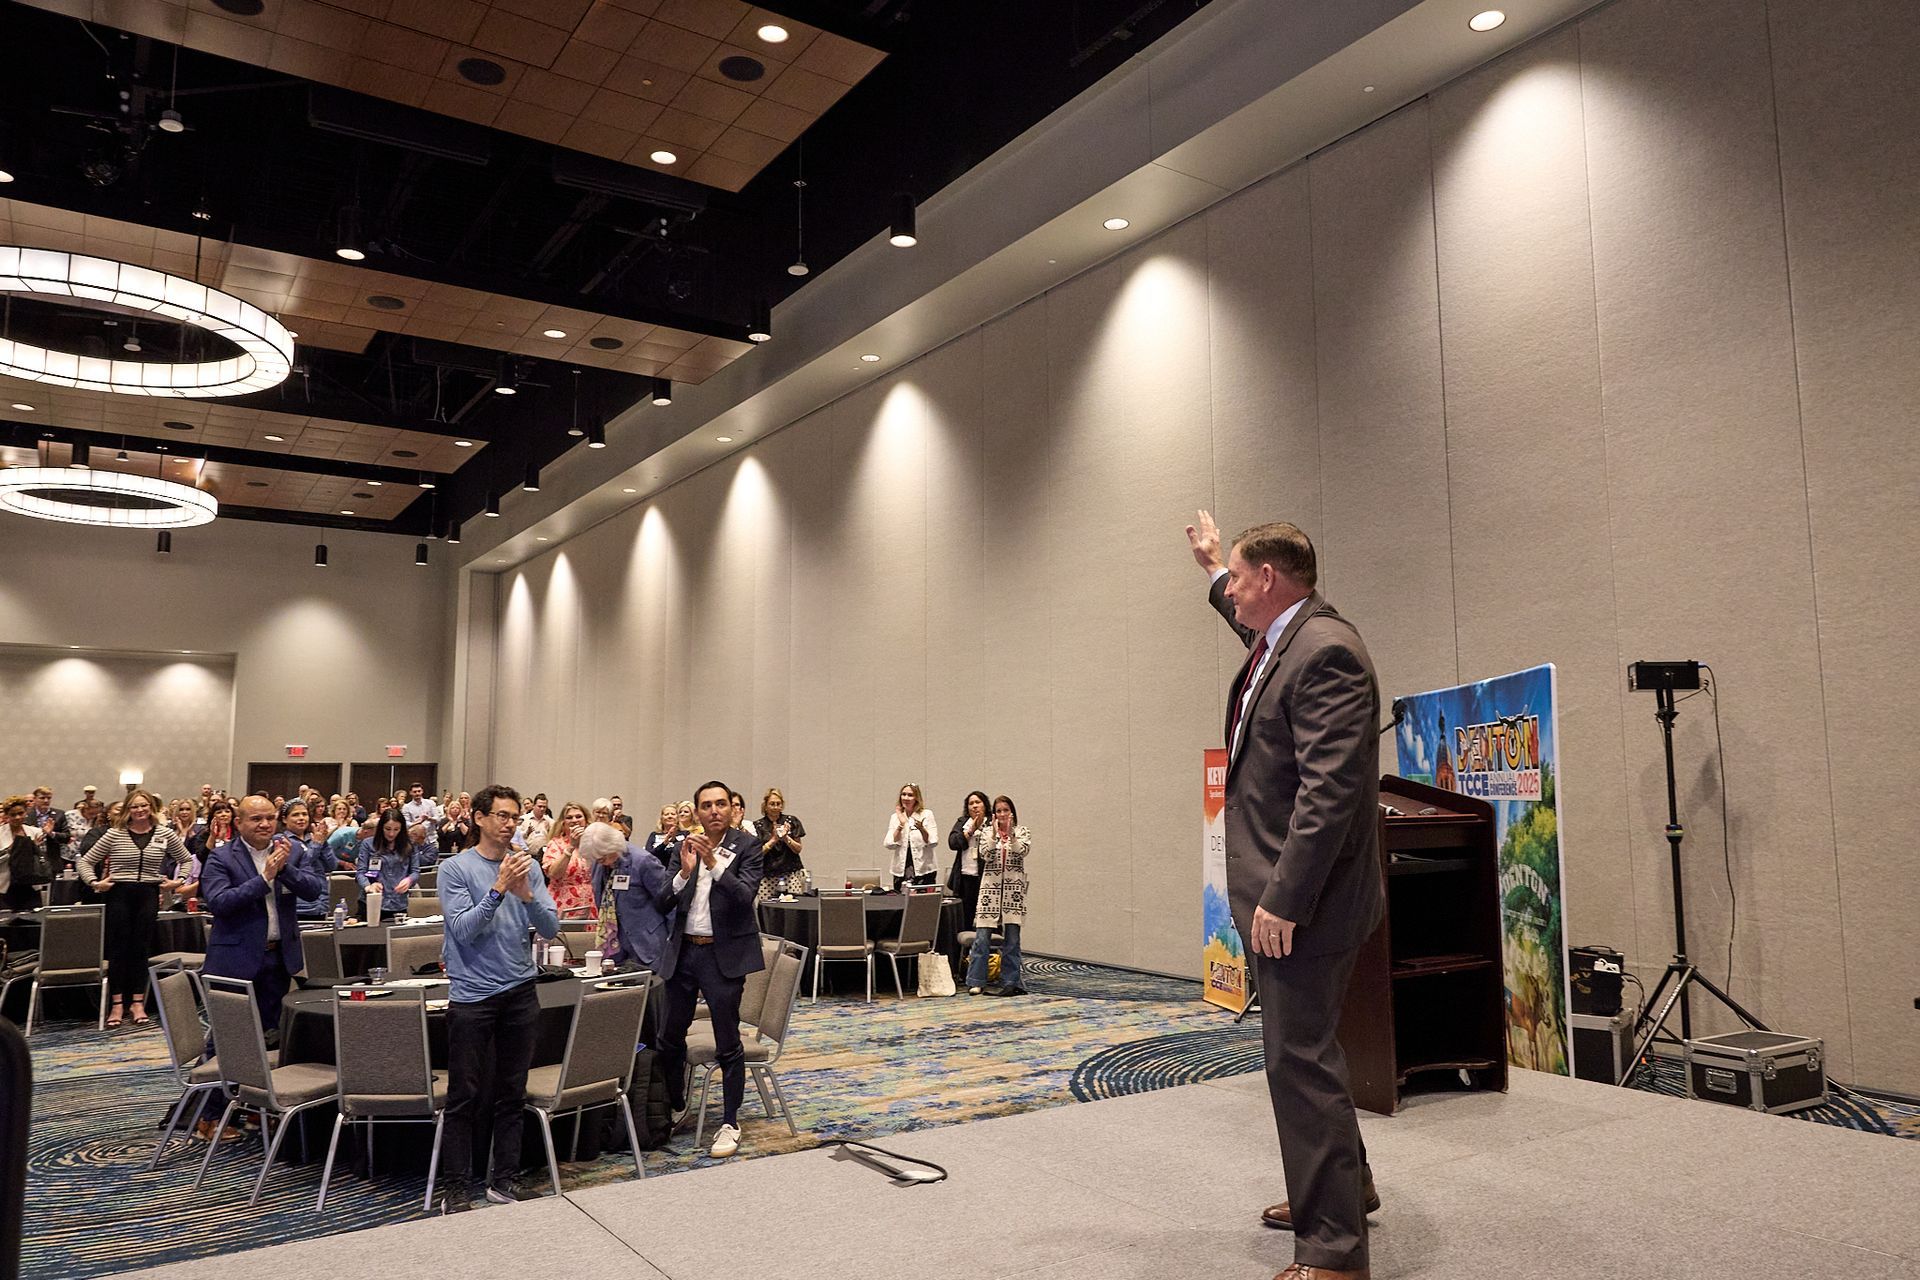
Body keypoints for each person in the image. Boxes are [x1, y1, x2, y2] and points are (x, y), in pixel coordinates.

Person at [1187, 510, 1385, 1279]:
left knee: (1298, 1062)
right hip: (1298, 902)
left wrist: (1284, 899)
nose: (1231, 593)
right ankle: (1348, 1185)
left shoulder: (1325, 652)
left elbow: (1329, 794)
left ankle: (1334, 1252)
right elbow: (1252, 640)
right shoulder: (1287, 642)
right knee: (1311, 1056)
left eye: (1236, 578)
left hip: (1305, 908)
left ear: (1269, 579)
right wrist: (1208, 565)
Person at [436, 784, 559, 1212]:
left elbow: (548, 926)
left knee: (513, 1091)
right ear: (479, 818)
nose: (510, 824)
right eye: (502, 816)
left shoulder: (528, 867)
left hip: (520, 990)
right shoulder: (455, 869)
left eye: (515, 817)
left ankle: (503, 1180)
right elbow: (464, 929)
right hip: (473, 997)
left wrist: (525, 893)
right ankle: (456, 1187)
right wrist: (499, 888)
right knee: (464, 1095)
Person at [653, 780, 764, 1159]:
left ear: (732, 810)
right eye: (706, 805)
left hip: (723, 955)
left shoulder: (747, 846)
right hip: (685, 953)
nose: (714, 811)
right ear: (697, 812)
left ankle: (730, 1121)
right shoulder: (685, 845)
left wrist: (714, 865)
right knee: (668, 1037)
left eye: (721, 804)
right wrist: (684, 872)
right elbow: (662, 900)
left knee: (727, 1041)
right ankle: (676, 1101)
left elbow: (745, 896)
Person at [200, 795, 324, 1038]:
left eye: (270, 818)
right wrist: (264, 879)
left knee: (274, 1034)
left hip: (279, 957)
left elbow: (313, 891)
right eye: (256, 819)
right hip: (235, 958)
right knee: (231, 1035)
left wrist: (285, 869)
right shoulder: (221, 856)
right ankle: (213, 1074)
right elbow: (219, 903)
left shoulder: (293, 851)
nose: (265, 824)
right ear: (238, 823)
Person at [77, 788, 190, 1027]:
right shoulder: (114, 834)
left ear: (151, 808)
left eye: (144, 806)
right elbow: (85, 860)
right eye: (135, 806)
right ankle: (117, 1004)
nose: (140, 810)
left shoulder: (164, 833)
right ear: (128, 810)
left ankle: (138, 1002)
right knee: (118, 950)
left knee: (141, 948)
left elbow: (186, 859)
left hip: (148, 894)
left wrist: (178, 882)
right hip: (119, 895)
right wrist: (96, 883)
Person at [582, 821, 672, 971]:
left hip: (647, 946)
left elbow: (668, 902)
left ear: (612, 846)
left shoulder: (643, 861)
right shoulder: (598, 863)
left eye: (603, 858)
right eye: (597, 860)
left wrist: (672, 944)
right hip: (615, 949)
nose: (601, 862)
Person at [965, 796, 1031, 997]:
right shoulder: (985, 832)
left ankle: (1010, 980)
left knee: (1012, 938)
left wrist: (1010, 835)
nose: (1002, 814)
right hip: (990, 891)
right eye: (999, 811)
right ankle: (976, 980)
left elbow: (1023, 851)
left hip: (1013, 891)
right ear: (994, 814)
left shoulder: (1022, 831)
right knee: (982, 937)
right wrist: (994, 834)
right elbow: (985, 854)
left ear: (1012, 812)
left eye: (1006, 810)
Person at [356, 811, 420, 918]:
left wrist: (409, 880)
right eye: (388, 829)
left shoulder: (410, 845)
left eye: (396, 829)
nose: (391, 834)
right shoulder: (368, 844)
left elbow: (415, 872)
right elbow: (360, 873)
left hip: (398, 903)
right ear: (381, 828)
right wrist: (368, 886)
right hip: (372, 902)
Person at [541, 802, 596, 919]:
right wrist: (571, 846)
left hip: (592, 905)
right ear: (563, 823)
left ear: (586, 820)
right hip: (564, 905)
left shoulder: (594, 844)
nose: (574, 820)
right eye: (569, 818)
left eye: (579, 816)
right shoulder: (555, 844)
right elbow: (553, 874)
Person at [281, 801, 333, 920]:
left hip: (321, 904)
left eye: (304, 814)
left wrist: (324, 843)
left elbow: (332, 865)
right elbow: (301, 865)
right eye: (296, 815)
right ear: (284, 819)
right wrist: (317, 845)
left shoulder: (315, 837)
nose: (301, 818)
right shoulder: (283, 842)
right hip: (300, 907)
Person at [753, 788, 807, 901]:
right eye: (772, 804)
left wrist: (786, 838)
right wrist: (773, 840)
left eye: (778, 804)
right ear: (766, 806)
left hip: (790, 873)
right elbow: (757, 853)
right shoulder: (758, 826)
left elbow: (798, 849)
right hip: (767, 876)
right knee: (767, 908)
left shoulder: (791, 821)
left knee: (793, 908)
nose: (775, 807)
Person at [884, 783, 939, 891]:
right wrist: (901, 824)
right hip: (901, 870)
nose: (906, 798)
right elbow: (889, 844)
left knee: (924, 903)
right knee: (901, 903)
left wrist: (922, 829)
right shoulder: (895, 817)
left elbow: (933, 841)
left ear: (916, 798)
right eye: (903, 794)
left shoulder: (926, 814)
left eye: (910, 795)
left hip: (924, 869)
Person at [947, 790, 989, 924]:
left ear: (985, 805)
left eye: (978, 802)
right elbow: (953, 843)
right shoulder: (963, 822)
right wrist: (970, 830)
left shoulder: (991, 823)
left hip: (985, 878)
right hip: (965, 877)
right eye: (971, 803)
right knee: (965, 918)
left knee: (985, 918)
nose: (974, 806)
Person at [2, 796, 49, 911]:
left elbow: (42, 857)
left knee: (33, 923)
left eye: (20, 813)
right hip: (5, 885)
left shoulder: (35, 832)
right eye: (13, 815)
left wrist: (34, 848)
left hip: (31, 884)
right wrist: (14, 848)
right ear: (7, 816)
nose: (17, 817)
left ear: (26, 812)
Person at [27, 787, 70, 875]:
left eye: (49, 798)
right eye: (42, 798)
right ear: (34, 799)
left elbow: (67, 837)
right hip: (31, 859)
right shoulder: (26, 814)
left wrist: (51, 833)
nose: (46, 801)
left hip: (52, 860)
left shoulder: (59, 814)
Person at [643, 804, 680, 870]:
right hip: (657, 870)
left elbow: (683, 853)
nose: (670, 816)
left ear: (677, 817)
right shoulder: (654, 835)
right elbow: (649, 855)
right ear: (661, 818)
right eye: (666, 814)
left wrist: (674, 840)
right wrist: (664, 843)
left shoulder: (684, 834)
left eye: (673, 814)